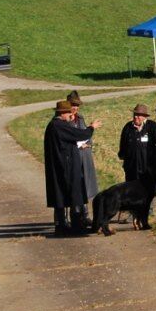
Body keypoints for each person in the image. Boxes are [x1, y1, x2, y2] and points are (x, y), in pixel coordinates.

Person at [44, 100, 100, 235]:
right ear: (62, 113)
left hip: (58, 167)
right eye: (69, 112)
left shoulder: (53, 125)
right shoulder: (60, 126)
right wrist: (92, 127)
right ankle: (75, 226)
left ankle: (61, 226)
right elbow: (81, 135)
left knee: (60, 197)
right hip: (66, 167)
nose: (71, 115)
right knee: (74, 194)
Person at [67, 91, 98, 228]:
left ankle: (85, 215)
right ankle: (75, 216)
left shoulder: (80, 118)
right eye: (73, 105)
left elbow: (85, 134)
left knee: (85, 184)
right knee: (74, 186)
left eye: (77, 105)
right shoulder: (65, 120)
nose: (75, 108)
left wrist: (88, 142)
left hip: (84, 156)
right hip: (72, 157)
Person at [119, 103, 156, 183]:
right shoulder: (128, 127)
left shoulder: (152, 126)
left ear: (145, 116)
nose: (135, 116)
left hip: (147, 167)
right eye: (135, 114)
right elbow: (122, 144)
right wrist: (123, 157)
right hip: (131, 167)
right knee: (131, 191)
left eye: (138, 115)